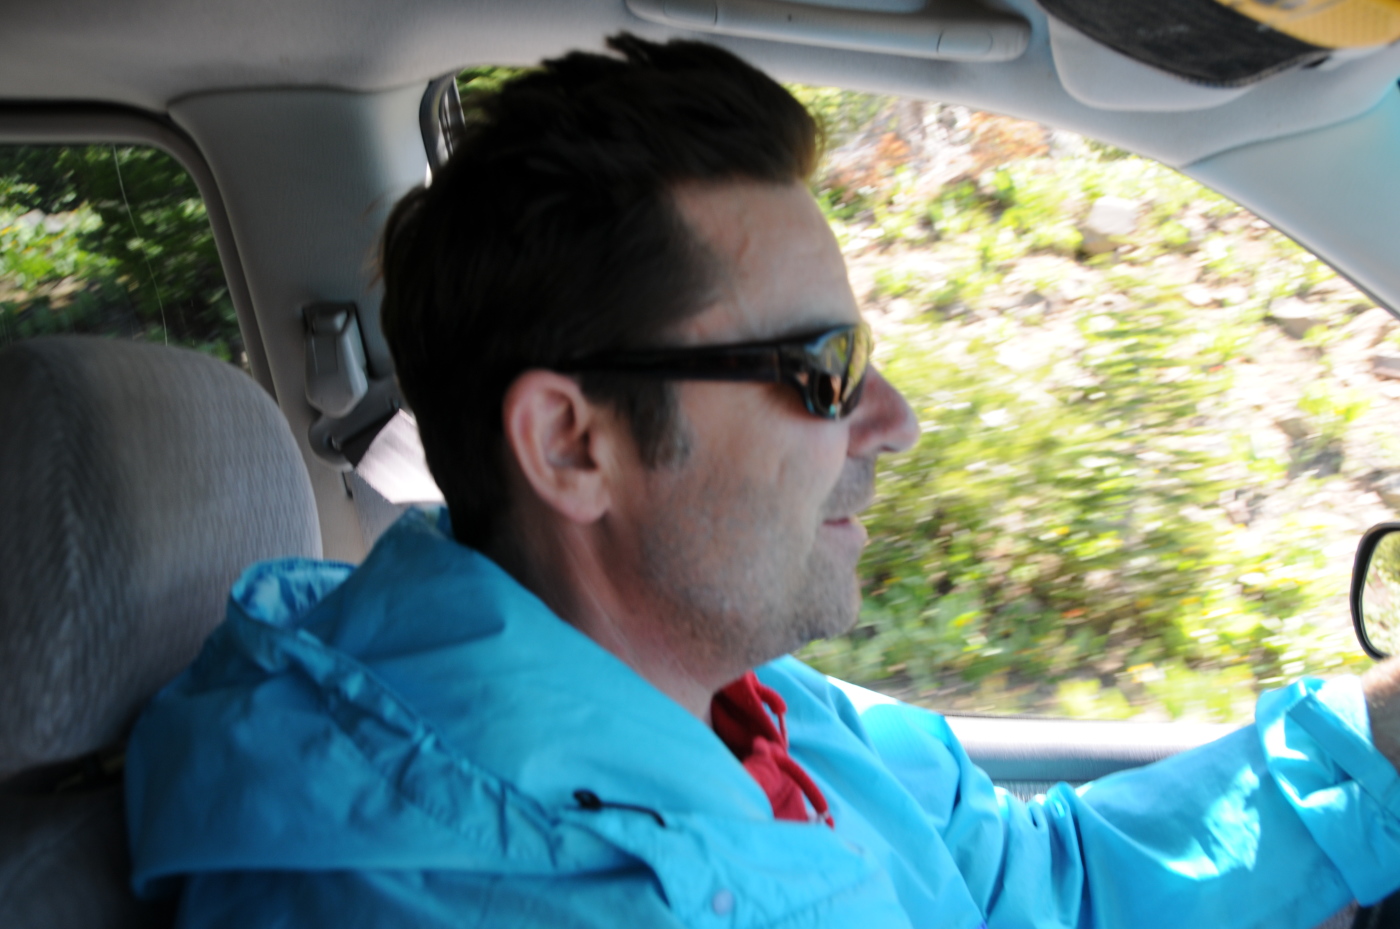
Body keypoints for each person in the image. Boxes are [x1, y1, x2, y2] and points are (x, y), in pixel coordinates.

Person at [126, 34, 1400, 928]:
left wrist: (1378, 739)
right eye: (820, 369)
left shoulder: (734, 691)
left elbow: (1024, 883)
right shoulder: (448, 891)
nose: (893, 421)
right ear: (571, 444)